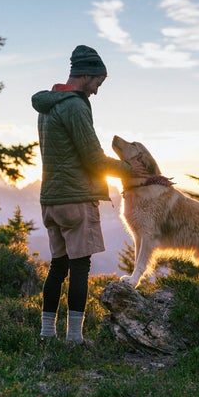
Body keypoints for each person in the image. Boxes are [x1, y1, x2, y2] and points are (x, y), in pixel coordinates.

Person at [31, 45, 142, 343]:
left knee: (58, 267)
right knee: (81, 267)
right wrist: (132, 170)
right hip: (76, 199)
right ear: (86, 74)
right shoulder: (75, 106)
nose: (96, 90)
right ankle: (75, 339)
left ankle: (46, 334)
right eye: (97, 83)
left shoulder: (49, 105)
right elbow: (94, 159)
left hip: (51, 200)